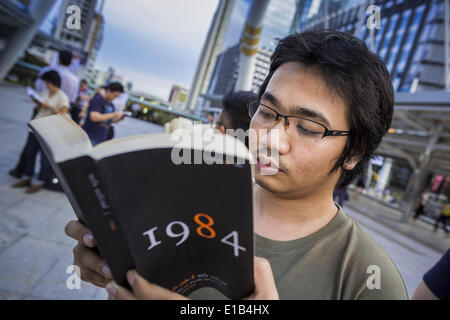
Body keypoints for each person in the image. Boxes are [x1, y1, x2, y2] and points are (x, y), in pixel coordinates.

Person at [65, 30, 408, 300]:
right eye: (268, 112)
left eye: (307, 127)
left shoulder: (367, 278)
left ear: (354, 151)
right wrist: (111, 265)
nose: (271, 139)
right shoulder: (185, 202)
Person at [11, 71, 69, 194]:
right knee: (29, 153)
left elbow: (63, 115)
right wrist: (38, 103)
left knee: (44, 157)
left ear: (52, 82)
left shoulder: (62, 97)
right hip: (35, 127)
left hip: (48, 130)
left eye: (47, 83)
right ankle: (26, 177)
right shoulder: (45, 93)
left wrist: (49, 106)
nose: (46, 85)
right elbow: (39, 109)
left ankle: (39, 181)